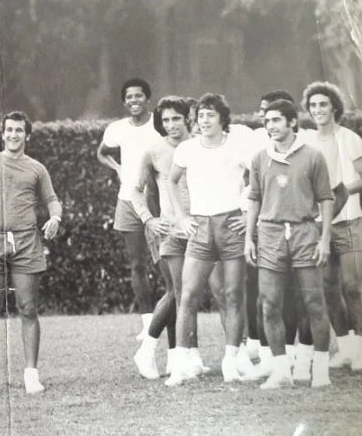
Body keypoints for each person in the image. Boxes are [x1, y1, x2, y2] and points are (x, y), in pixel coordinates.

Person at [0, 111, 62, 396]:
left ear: (27, 135)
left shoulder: (37, 168)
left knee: (28, 308)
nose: (13, 135)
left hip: (25, 242)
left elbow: (52, 200)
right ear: (2, 134)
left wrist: (55, 219)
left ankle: (31, 375)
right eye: (8, 130)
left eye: (19, 130)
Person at [244, 99, 334, 388]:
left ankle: (320, 370)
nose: (270, 126)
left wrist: (324, 239)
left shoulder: (313, 156)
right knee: (270, 304)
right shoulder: (259, 157)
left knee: (313, 303)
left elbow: (327, 199)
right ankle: (281, 371)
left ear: (292, 122)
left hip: (305, 233)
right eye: (267, 121)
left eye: (276, 120)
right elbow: (254, 198)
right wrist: (249, 238)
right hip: (269, 235)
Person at [165, 94, 252, 386]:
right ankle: (179, 364)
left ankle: (231, 361)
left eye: (210, 115)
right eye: (200, 115)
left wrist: (247, 210)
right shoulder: (187, 149)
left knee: (232, 296)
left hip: (231, 225)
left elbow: (257, 179)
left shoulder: (238, 146)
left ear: (222, 118)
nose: (204, 120)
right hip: (200, 227)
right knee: (187, 295)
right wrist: (181, 216)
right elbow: (171, 180)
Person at [131, 96, 209, 379]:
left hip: (203, 228)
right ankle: (148, 350)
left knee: (191, 294)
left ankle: (189, 357)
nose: (171, 125)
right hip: (170, 231)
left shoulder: (202, 144)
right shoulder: (154, 150)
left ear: (188, 117)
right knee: (180, 292)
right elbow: (136, 190)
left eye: (176, 118)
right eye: (165, 120)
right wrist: (149, 219)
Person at [96, 78, 162, 341]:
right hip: (127, 200)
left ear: (147, 98)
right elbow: (102, 152)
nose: (134, 101)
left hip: (157, 201)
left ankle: (170, 317)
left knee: (165, 263)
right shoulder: (117, 129)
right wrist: (118, 168)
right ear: (124, 102)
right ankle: (147, 323)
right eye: (129, 97)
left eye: (139, 96)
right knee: (137, 264)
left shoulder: (159, 123)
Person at [303, 81, 362, 370]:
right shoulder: (306, 141)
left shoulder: (349, 138)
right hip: (318, 225)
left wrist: (338, 193)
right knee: (328, 288)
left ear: (334, 107)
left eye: (323, 104)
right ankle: (346, 349)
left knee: (353, 287)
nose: (318, 110)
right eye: (313, 105)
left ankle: (360, 350)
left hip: (349, 221)